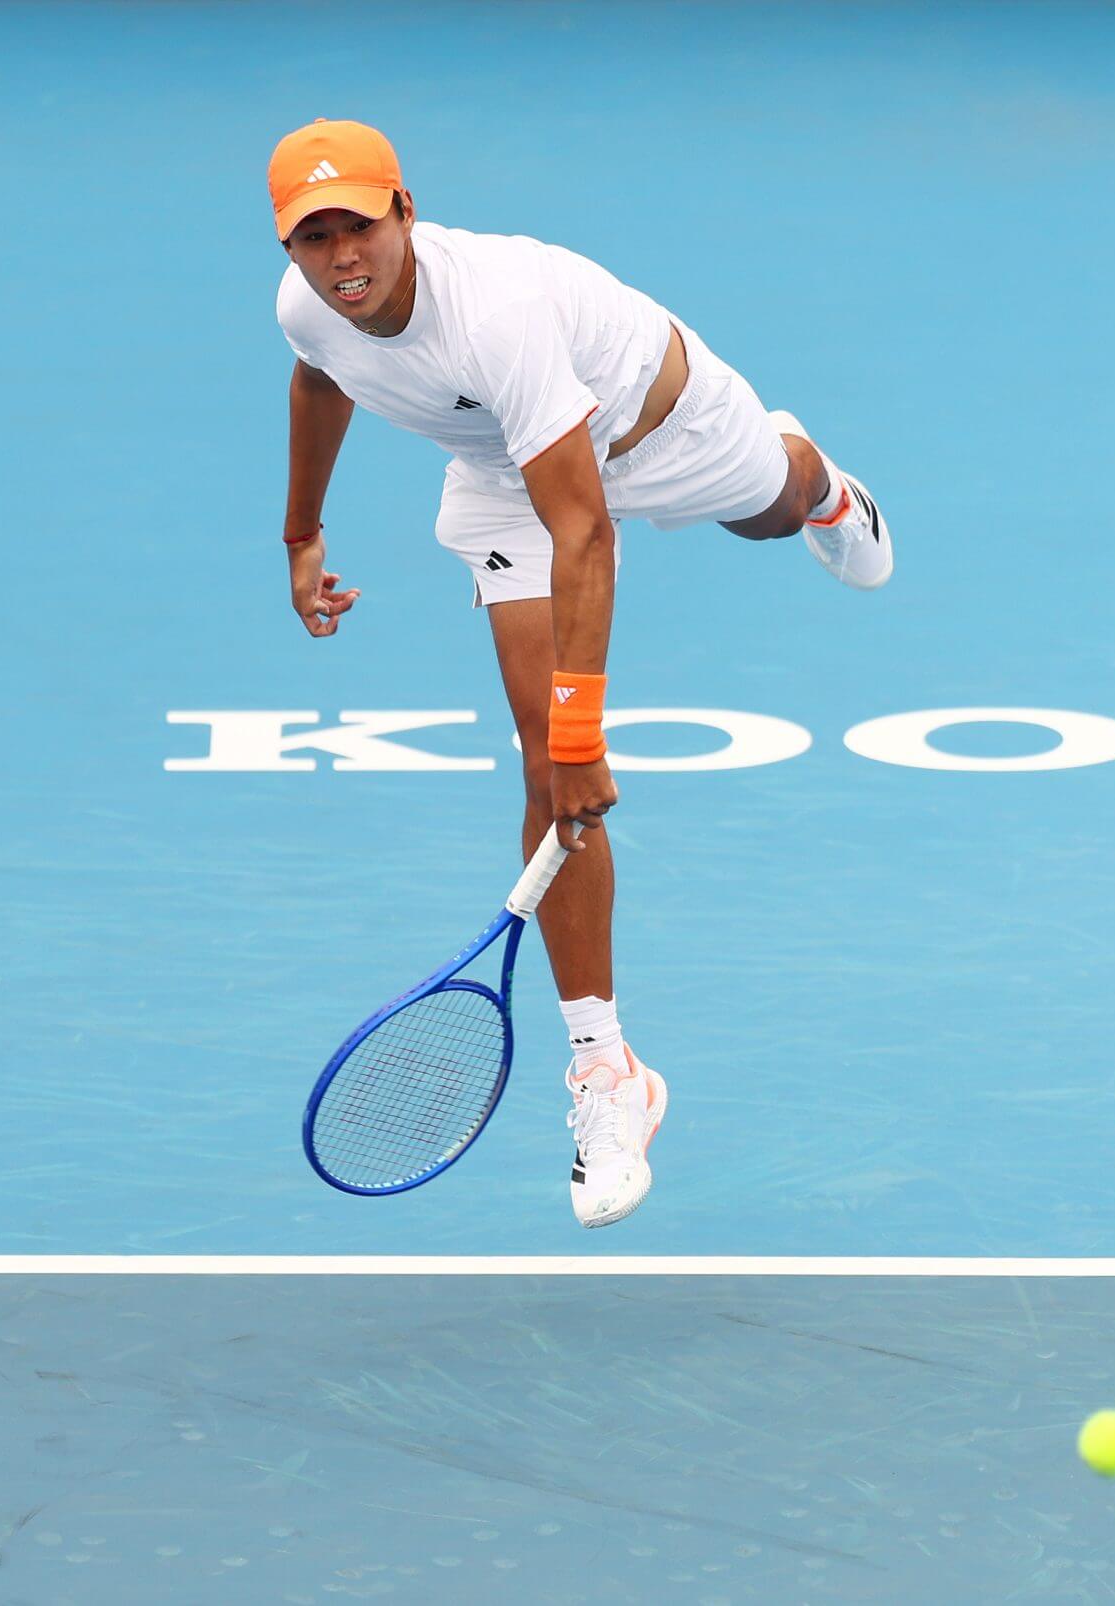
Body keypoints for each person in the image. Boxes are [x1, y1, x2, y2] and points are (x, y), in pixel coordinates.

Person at [268, 118, 891, 1228]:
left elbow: (591, 535)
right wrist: (300, 533)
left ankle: (827, 484)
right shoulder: (310, 308)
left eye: (356, 225)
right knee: (539, 768)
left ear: (405, 211)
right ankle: (609, 1073)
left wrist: (585, 732)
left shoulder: (495, 314)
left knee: (769, 509)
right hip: (507, 471)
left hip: (661, 428)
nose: (339, 257)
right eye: (312, 237)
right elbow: (321, 381)